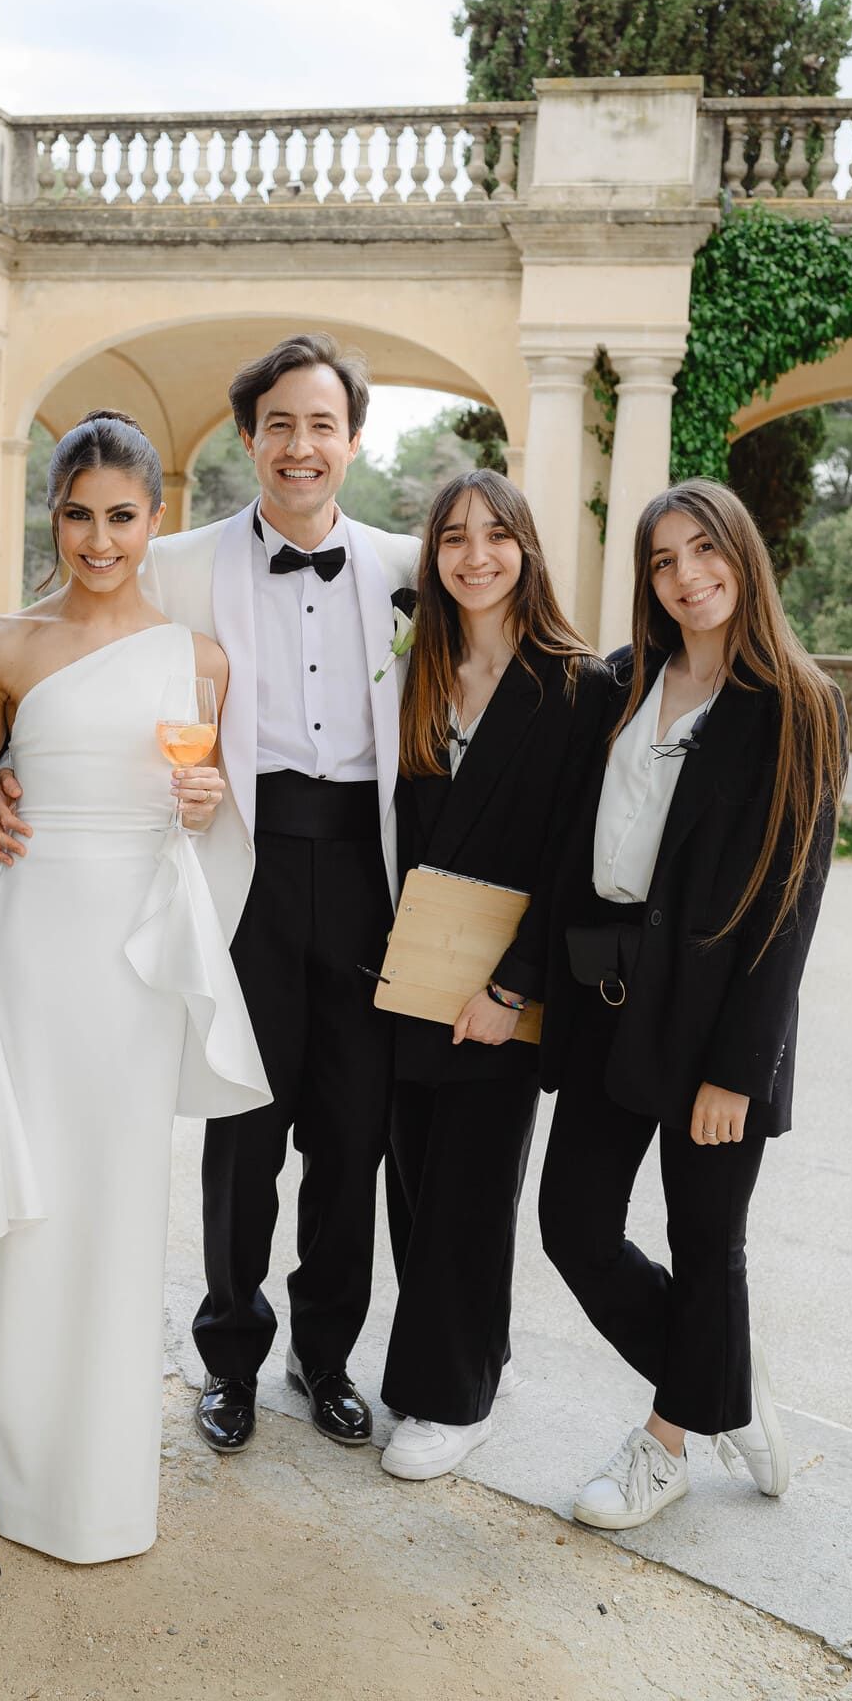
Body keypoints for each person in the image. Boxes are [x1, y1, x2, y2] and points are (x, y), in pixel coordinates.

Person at [0, 333, 420, 1453]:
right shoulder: (174, 558)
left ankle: (323, 1356)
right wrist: (4, 770)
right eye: (278, 423)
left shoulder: (406, 567)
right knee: (243, 1124)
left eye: (321, 424)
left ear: (352, 440)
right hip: (243, 863)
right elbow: (67, 646)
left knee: (351, 1132)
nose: (299, 446)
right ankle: (228, 1353)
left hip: (369, 878)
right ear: (248, 438)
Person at [0, 411, 270, 1564]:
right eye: (77, 514)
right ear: (50, 514)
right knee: (27, 1201)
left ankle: (103, 1487)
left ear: (154, 520)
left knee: (115, 1209)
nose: (98, 539)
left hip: (131, 961)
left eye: (121, 517)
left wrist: (205, 807)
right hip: (28, 947)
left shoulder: (200, 662)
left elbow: (198, 818)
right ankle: (16, 1462)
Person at [530, 478, 846, 1531]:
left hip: (715, 1019)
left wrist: (736, 1072)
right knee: (571, 1224)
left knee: (709, 1241)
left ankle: (665, 1446)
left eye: (702, 550)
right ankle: (724, 1381)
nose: (685, 576)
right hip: (607, 1000)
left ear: (741, 556)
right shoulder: (621, 683)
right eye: (662, 561)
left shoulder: (796, 704)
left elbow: (790, 910)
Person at [379, 471, 608, 1482]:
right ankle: (485, 1353)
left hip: (507, 979)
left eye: (496, 536)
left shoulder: (578, 685)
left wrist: (513, 987)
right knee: (416, 1175)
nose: (475, 556)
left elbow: (575, 857)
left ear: (527, 549)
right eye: (454, 539)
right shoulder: (418, 673)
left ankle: (448, 1399)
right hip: (410, 968)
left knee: (472, 1184)